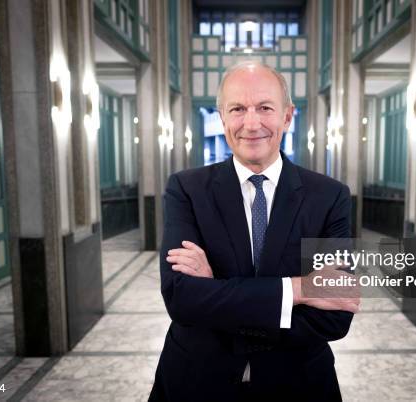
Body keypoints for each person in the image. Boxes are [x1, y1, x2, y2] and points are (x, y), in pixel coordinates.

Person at [149, 61, 359, 402]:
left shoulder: (329, 196)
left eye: (264, 107)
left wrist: (216, 291)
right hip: (196, 383)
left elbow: (335, 316)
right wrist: (296, 290)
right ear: (221, 117)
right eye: (237, 109)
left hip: (298, 385)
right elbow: (182, 299)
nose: (251, 122)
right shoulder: (187, 189)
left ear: (287, 117)